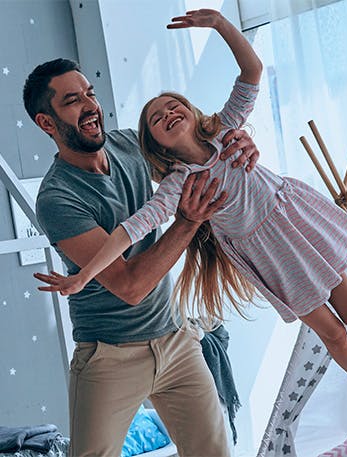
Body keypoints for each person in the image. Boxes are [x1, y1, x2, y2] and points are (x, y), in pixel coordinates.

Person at [36, 9, 347, 433]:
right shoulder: (175, 186)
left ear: (192, 111)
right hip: (271, 257)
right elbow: (129, 231)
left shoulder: (227, 131)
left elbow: (252, 71)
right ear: (154, 147)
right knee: (334, 335)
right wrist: (84, 277)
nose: (168, 114)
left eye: (173, 106)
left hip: (298, 225)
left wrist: (221, 25)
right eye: (156, 119)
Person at [25, 52, 260, 456]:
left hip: (175, 340)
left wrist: (236, 145)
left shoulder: (128, 146)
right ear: (46, 122)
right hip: (110, 356)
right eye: (72, 101)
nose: (90, 106)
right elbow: (129, 286)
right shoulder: (58, 198)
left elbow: (197, 158)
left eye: (89, 94)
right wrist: (186, 222)